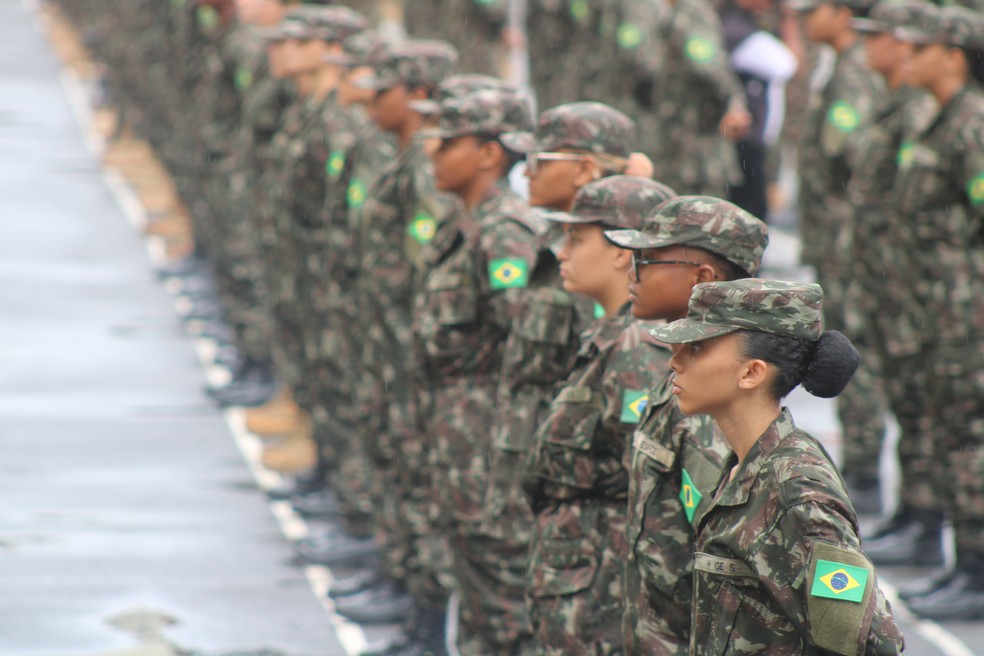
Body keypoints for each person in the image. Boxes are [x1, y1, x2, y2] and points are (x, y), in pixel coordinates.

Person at [650, 278, 904, 654]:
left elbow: (869, 643)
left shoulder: (795, 492)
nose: (675, 361)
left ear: (752, 373)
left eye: (697, 348)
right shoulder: (745, 464)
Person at [604, 195, 769, 653]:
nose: (630, 272)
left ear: (703, 278)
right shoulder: (680, 373)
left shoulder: (713, 400)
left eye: (648, 260)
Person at [521, 175, 676, 655]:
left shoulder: (638, 348)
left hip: (605, 589)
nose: (562, 253)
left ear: (620, 249)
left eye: (576, 238)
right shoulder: (609, 335)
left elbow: (651, 489)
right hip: (582, 577)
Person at [414, 86, 539, 654]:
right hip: (460, 436)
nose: (433, 152)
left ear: (490, 153)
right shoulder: (465, 224)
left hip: (489, 440)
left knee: (505, 600)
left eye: (448, 142)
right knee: (477, 596)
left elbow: (529, 346)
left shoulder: (503, 232)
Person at [891, 3, 984, 620]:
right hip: (933, 308)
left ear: (953, 55)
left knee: (969, 434)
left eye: (920, 47)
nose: (907, 55)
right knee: (948, 430)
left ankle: (977, 570)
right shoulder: (940, 119)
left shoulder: (971, 123)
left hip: (963, 312)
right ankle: (963, 559)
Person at [846, 0, 942, 565]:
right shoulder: (900, 107)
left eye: (914, 44)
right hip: (893, 278)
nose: (898, 51)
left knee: (938, 411)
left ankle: (937, 531)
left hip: (933, 291)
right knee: (912, 400)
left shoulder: (929, 116)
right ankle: (916, 514)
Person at [789, 0, 890, 511]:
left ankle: (868, 469)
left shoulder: (852, 73)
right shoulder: (841, 68)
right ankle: (863, 464)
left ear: (838, 11)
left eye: (812, 10)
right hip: (836, 240)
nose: (804, 20)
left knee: (855, 347)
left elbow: (850, 156)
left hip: (848, 243)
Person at [647, 0, 751, 197]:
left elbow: (710, 66)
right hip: (679, 152)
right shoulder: (675, 11)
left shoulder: (691, 14)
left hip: (695, 157)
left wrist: (734, 105)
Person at [720, 0, 798, 219]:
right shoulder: (734, 26)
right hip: (743, 143)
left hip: (756, 144)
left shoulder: (751, 22)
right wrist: (788, 18)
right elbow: (788, 64)